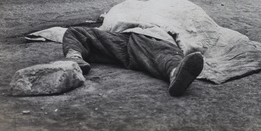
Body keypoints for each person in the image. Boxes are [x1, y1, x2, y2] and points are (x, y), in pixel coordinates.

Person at [62, 26, 204, 97]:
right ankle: (74, 59)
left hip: (149, 37)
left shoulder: (163, 16)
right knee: (74, 32)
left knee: (163, 53)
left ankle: (176, 73)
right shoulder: (131, 8)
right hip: (121, 39)